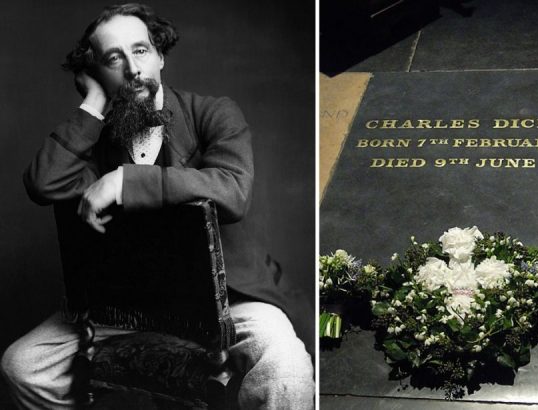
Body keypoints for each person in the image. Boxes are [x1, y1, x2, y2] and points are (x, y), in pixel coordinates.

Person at [0, 3, 314, 409]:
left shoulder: (214, 112)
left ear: (161, 55)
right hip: (130, 308)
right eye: (114, 58)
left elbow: (233, 189)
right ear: (98, 71)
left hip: (230, 300)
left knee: (286, 368)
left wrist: (127, 180)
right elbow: (44, 183)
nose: (132, 69)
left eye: (141, 50)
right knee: (22, 364)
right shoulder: (96, 138)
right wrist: (92, 104)